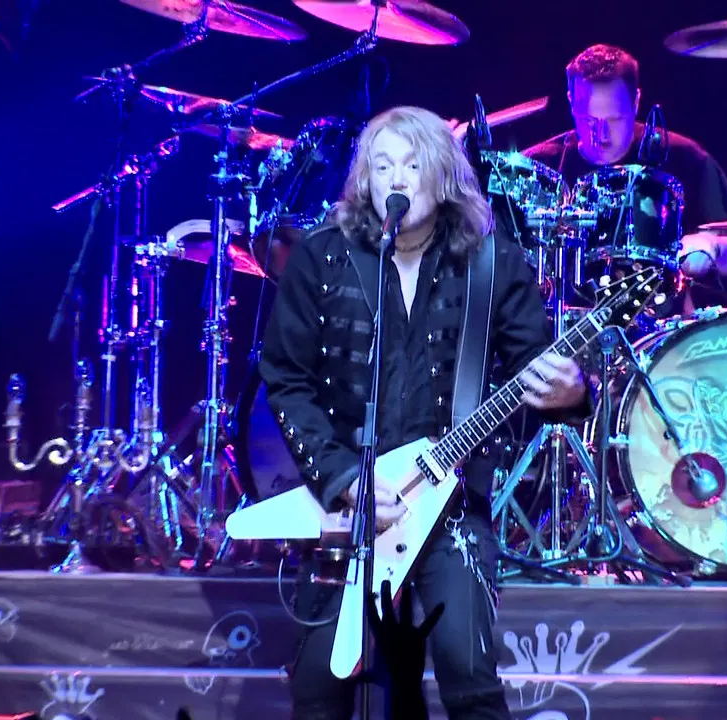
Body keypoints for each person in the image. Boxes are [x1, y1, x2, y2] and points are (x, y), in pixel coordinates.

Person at [259, 105, 593, 720]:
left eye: (413, 166)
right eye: (382, 165)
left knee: (470, 678)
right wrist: (344, 478)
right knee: (319, 687)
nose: (397, 179)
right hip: (349, 506)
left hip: (452, 504)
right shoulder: (322, 257)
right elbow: (285, 377)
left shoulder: (493, 262)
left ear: (443, 177)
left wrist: (571, 392)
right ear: (365, 179)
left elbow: (538, 367)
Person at [524, 43, 727, 285]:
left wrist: (712, 246)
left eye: (615, 119)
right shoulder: (539, 167)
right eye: (589, 120)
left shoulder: (683, 157)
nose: (602, 136)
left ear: (636, 101)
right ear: (571, 102)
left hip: (664, 308)